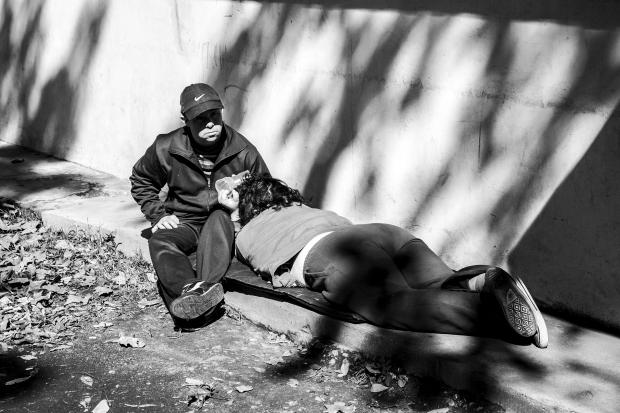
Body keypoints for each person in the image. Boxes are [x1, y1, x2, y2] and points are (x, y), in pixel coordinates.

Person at [218, 174, 548, 348]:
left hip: (332, 253)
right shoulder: (301, 208)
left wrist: (230, 211)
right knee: (438, 281)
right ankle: (482, 279)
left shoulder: (247, 233)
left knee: (390, 304)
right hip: (379, 232)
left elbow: (264, 266)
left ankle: (494, 315)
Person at [130, 83, 270, 327]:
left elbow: (265, 194)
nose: (210, 124)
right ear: (185, 120)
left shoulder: (244, 152)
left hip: (223, 219)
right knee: (160, 239)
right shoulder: (166, 147)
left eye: (214, 115)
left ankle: (198, 301)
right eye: (200, 118)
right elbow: (141, 179)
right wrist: (158, 215)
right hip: (185, 220)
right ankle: (192, 291)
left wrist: (239, 214)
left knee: (218, 218)